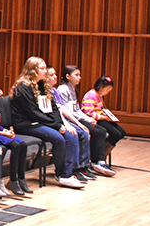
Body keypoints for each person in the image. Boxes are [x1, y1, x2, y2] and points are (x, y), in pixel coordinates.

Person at [9, 57, 85, 188]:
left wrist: (59, 122)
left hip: (41, 121)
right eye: (42, 68)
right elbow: (32, 112)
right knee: (58, 138)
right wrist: (55, 125)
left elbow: (53, 107)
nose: (45, 71)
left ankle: (69, 172)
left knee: (70, 135)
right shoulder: (23, 87)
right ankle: (62, 174)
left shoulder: (42, 85)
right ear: (33, 70)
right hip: (27, 123)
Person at [57, 66, 114, 176]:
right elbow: (66, 110)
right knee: (93, 132)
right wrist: (82, 120)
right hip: (70, 119)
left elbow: (77, 109)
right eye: (76, 75)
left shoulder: (73, 88)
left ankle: (98, 161)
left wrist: (88, 119)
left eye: (79, 75)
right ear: (68, 76)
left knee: (101, 130)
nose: (80, 77)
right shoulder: (63, 89)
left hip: (78, 117)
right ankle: (87, 163)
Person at [47, 68, 97, 182]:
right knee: (73, 134)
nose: (56, 77)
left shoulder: (54, 91)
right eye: (52, 75)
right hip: (53, 121)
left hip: (62, 119)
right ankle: (71, 168)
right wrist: (66, 123)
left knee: (83, 131)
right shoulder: (60, 90)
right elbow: (56, 112)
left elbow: (64, 109)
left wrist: (78, 123)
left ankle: (82, 166)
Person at [81, 76, 126, 163]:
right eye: (107, 90)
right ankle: (100, 155)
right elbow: (88, 113)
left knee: (122, 132)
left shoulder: (99, 96)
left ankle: (104, 152)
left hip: (101, 118)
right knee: (115, 133)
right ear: (101, 87)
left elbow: (98, 110)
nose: (108, 92)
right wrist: (104, 117)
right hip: (94, 120)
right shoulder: (91, 95)